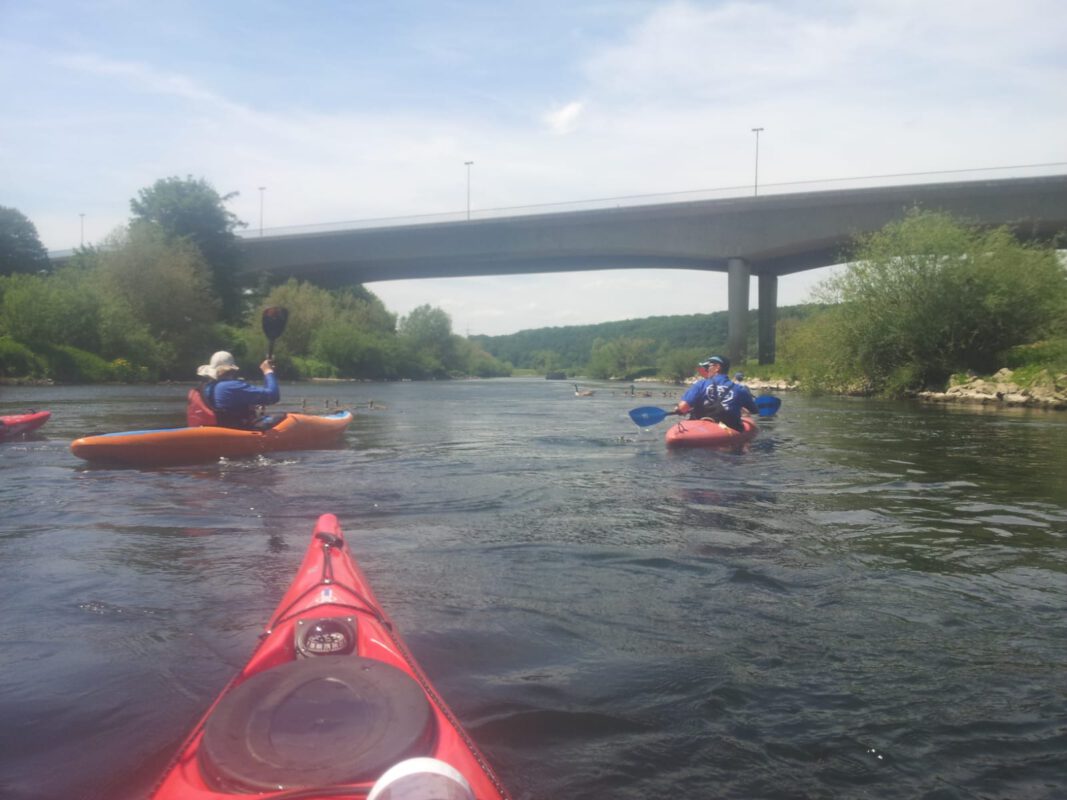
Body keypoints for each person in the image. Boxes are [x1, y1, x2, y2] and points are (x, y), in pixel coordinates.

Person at [187, 351, 280, 429]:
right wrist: (268, 371)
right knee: (283, 417)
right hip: (232, 432)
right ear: (232, 370)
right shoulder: (233, 386)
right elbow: (273, 396)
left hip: (209, 429)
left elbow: (224, 405)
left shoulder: (206, 387)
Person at [671, 354, 758, 432]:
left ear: (717, 367)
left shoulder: (700, 384)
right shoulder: (740, 389)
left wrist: (678, 410)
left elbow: (683, 408)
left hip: (700, 427)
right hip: (729, 430)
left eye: (709, 366)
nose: (707, 369)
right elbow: (754, 410)